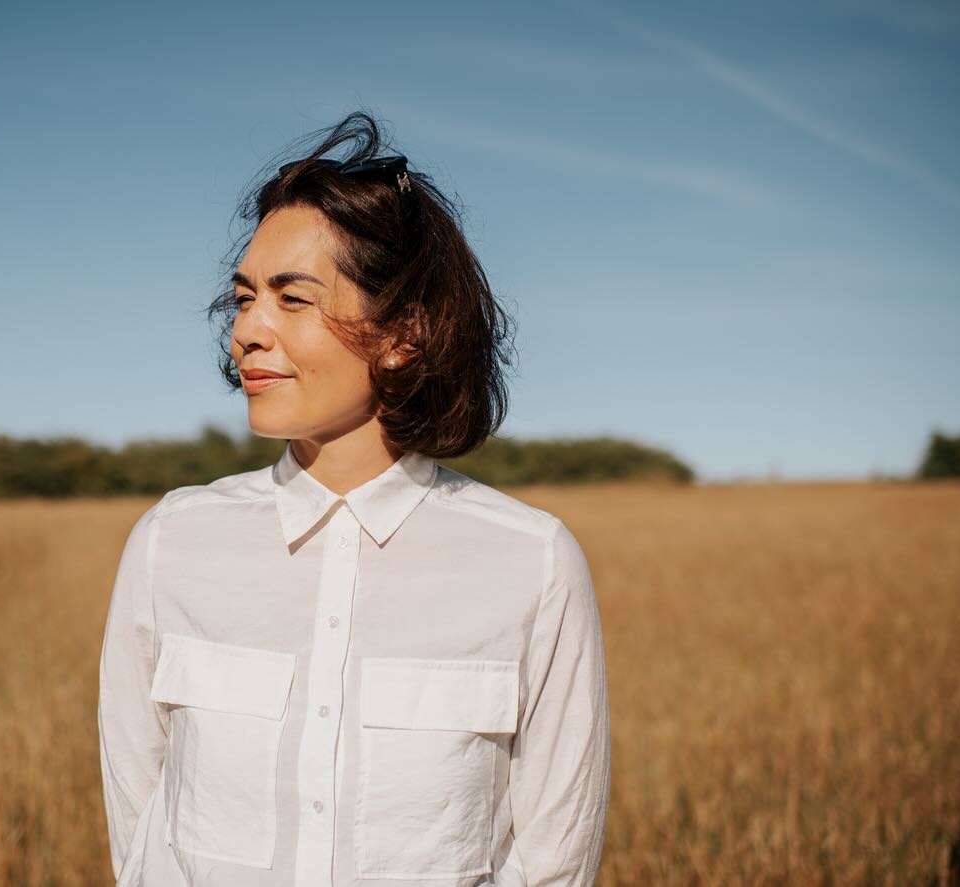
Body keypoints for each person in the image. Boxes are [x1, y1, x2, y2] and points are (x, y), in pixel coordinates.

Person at [98, 110, 610, 886]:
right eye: (243, 298)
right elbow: (141, 838)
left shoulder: (531, 563)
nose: (247, 331)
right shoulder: (172, 542)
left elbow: (553, 859)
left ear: (404, 331)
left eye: (291, 299)